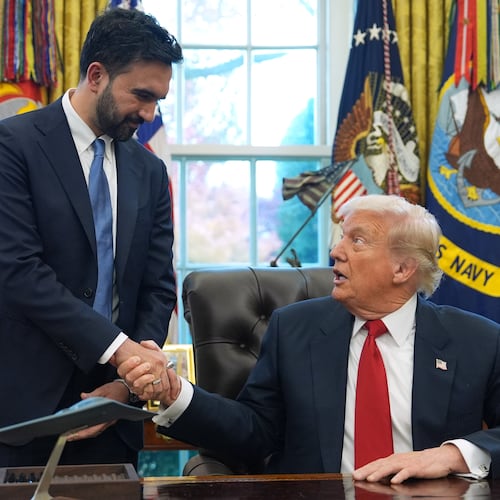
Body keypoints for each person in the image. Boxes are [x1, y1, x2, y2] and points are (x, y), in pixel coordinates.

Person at [118, 194, 500, 483]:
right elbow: (254, 431)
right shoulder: (293, 329)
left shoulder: (476, 340)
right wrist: (174, 393)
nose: (336, 251)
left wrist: (452, 455)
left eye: (358, 241)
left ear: (403, 268)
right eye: (341, 238)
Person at [0, 8, 183, 468]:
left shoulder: (149, 170)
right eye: (141, 95)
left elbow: (158, 286)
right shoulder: (14, 145)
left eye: (159, 100)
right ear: (96, 75)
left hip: (113, 414)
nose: (149, 113)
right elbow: (18, 271)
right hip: (22, 411)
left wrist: (127, 380)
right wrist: (121, 350)